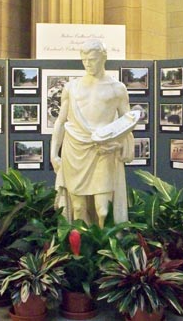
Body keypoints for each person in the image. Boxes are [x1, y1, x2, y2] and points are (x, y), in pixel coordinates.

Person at [50, 39, 135, 228]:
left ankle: (104, 248)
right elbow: (61, 121)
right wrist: (53, 153)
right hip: (75, 150)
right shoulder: (71, 88)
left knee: (103, 210)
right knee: (78, 208)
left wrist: (120, 144)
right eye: (84, 60)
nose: (88, 64)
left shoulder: (117, 88)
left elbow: (127, 122)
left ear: (104, 58)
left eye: (93, 59)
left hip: (102, 150)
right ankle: (82, 249)